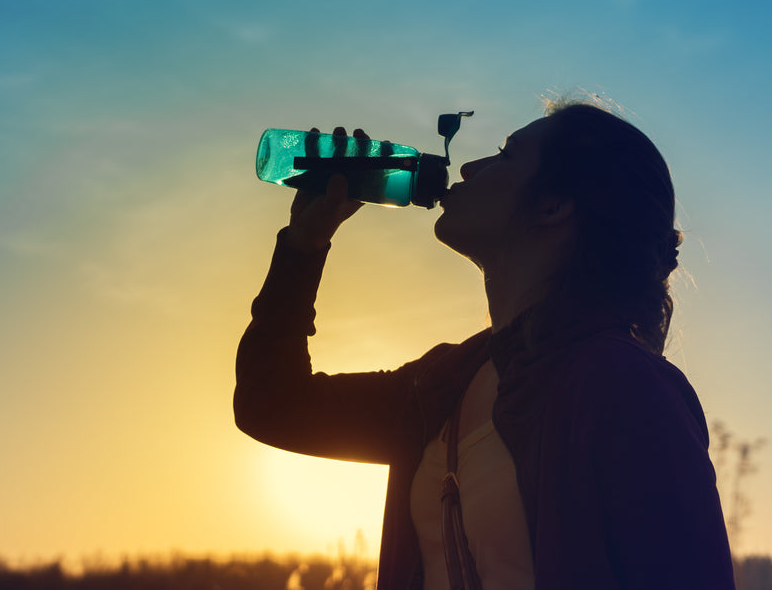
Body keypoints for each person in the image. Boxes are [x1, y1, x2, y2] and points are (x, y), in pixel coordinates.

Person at [234, 102, 735, 589]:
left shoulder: (625, 384)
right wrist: (303, 244)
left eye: (504, 155)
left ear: (553, 205)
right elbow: (273, 406)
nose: (469, 167)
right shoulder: (444, 382)